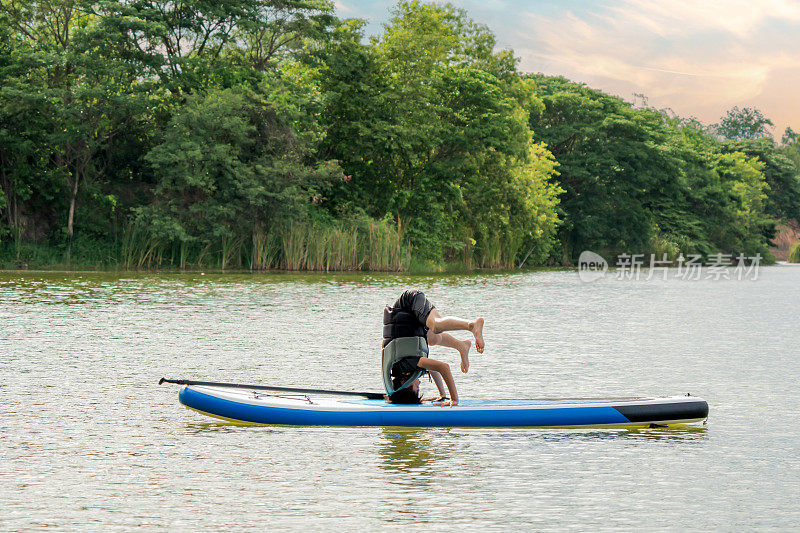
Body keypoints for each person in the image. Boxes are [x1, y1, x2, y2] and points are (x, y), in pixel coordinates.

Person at [382, 289, 484, 406]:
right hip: (412, 319)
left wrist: (454, 399)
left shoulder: (405, 365)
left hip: (409, 302)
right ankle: (461, 346)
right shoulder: (407, 371)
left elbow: (443, 367)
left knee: (436, 325)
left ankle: (472, 325)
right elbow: (432, 367)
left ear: (405, 383)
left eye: (417, 387)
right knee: (432, 339)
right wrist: (442, 395)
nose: (419, 382)